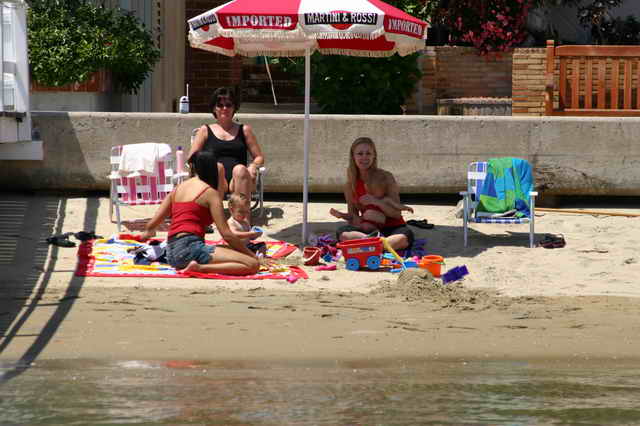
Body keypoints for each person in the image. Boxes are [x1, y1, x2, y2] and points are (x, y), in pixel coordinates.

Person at [141, 150, 259, 275]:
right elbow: (226, 234)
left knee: (236, 252)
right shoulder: (210, 193)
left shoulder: (178, 189)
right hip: (190, 249)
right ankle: (199, 268)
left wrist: (147, 233)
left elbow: (152, 224)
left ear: (193, 167)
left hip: (171, 253)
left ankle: (196, 265)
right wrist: (253, 256)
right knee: (252, 264)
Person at [333, 137, 415, 250]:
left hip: (392, 227)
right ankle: (378, 244)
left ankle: (369, 244)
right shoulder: (350, 185)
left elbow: (396, 214)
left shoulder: (386, 177)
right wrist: (342, 215)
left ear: (374, 156)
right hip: (369, 229)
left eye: (368, 153)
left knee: (405, 237)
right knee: (342, 233)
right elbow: (353, 218)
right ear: (353, 157)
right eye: (360, 153)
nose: (364, 157)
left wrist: (376, 202)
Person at [188, 86, 264, 202]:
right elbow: (192, 157)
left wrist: (253, 166)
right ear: (214, 109)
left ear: (234, 108)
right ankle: (216, 211)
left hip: (238, 179)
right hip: (214, 178)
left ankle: (242, 213)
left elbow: (259, 157)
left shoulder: (244, 130)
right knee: (218, 168)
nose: (224, 108)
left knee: (239, 170)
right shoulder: (204, 130)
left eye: (228, 105)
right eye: (220, 105)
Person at [331, 168, 413, 233]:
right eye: (371, 191)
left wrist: (406, 208)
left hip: (378, 224)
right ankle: (342, 215)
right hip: (366, 220)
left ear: (383, 189)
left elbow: (397, 207)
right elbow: (354, 215)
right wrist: (343, 215)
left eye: (376, 190)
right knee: (350, 225)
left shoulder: (385, 199)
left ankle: (370, 237)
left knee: (365, 226)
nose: (373, 193)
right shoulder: (366, 197)